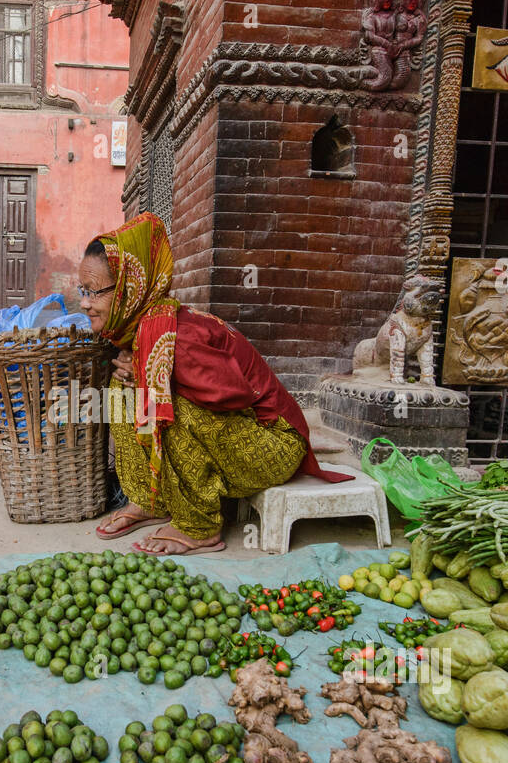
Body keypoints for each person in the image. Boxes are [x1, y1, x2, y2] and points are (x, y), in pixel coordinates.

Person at [79, 212, 350, 556]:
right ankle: (151, 499)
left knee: (165, 403)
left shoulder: (178, 336)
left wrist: (156, 376)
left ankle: (199, 526)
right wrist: (145, 377)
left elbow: (232, 398)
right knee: (123, 392)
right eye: (82, 291)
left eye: (94, 292)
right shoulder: (140, 326)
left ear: (129, 289)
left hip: (275, 445)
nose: (85, 303)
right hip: (241, 435)